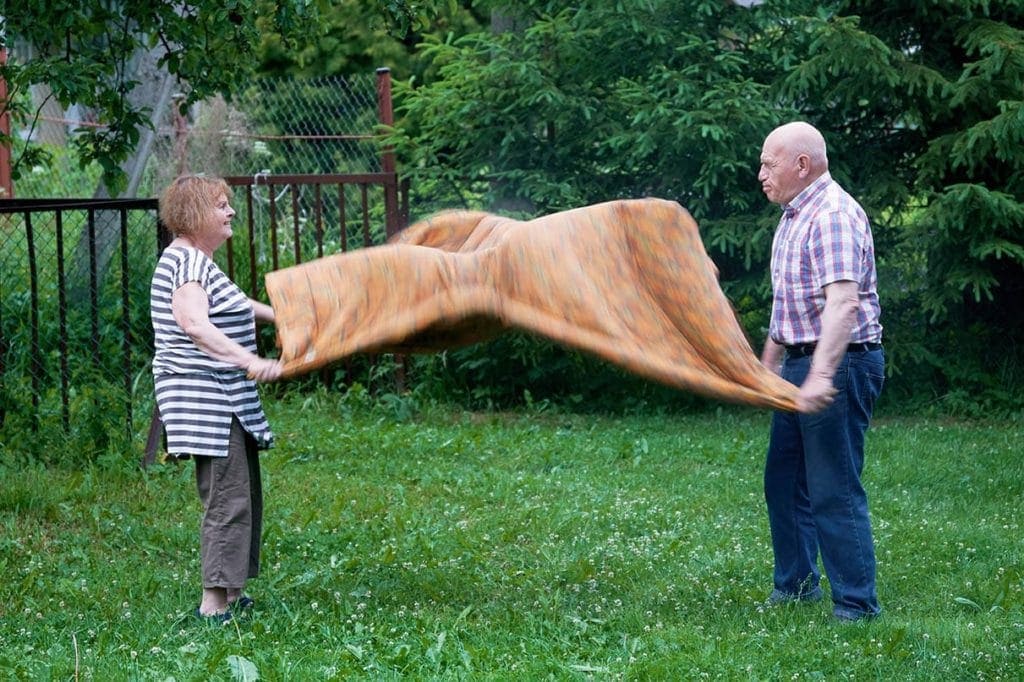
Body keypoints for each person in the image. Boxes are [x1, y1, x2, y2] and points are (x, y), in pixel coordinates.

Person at [756, 122, 885, 622]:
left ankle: (856, 605)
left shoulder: (831, 215)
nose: (761, 174)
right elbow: (791, 303)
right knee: (784, 480)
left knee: (833, 486)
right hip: (799, 361)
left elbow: (843, 304)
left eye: (769, 163)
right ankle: (796, 585)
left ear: (801, 165)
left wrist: (821, 377)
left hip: (842, 361)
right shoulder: (794, 216)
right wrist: (770, 366)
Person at [150, 174, 282, 623]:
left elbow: (239, 304)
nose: (230, 212)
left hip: (224, 397)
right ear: (193, 216)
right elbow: (194, 323)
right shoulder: (186, 264)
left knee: (239, 492)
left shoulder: (196, 261)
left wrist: (285, 317)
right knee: (227, 498)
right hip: (209, 398)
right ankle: (213, 606)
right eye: (221, 205)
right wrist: (249, 360)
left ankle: (232, 594)